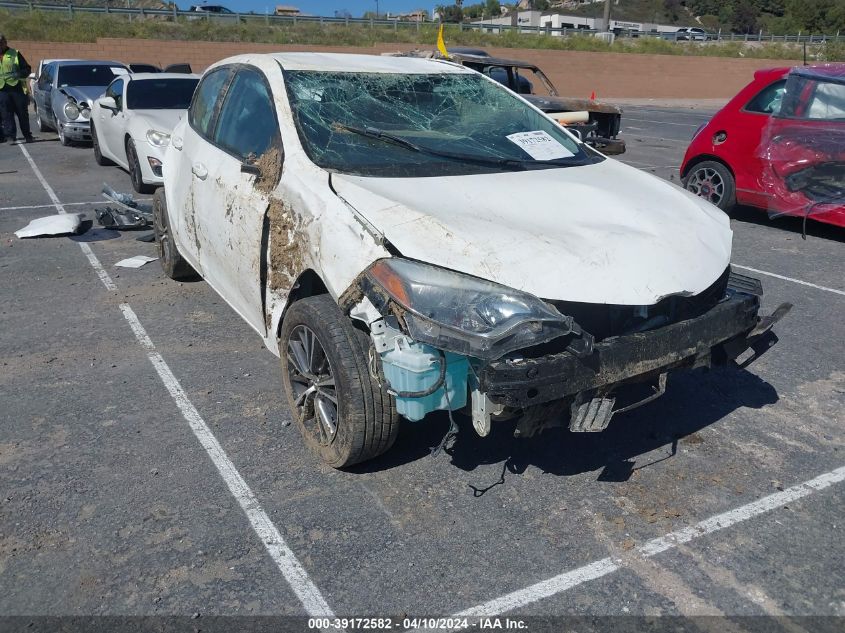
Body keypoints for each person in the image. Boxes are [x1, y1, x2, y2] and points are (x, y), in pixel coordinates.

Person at [0, 34, 34, 144]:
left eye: (1, 42)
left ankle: (27, 135)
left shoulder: (15, 53)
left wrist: (19, 74)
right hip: (2, 89)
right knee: (6, 114)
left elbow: (27, 69)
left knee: (22, 113)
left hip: (17, 88)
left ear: (5, 42)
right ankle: (10, 136)